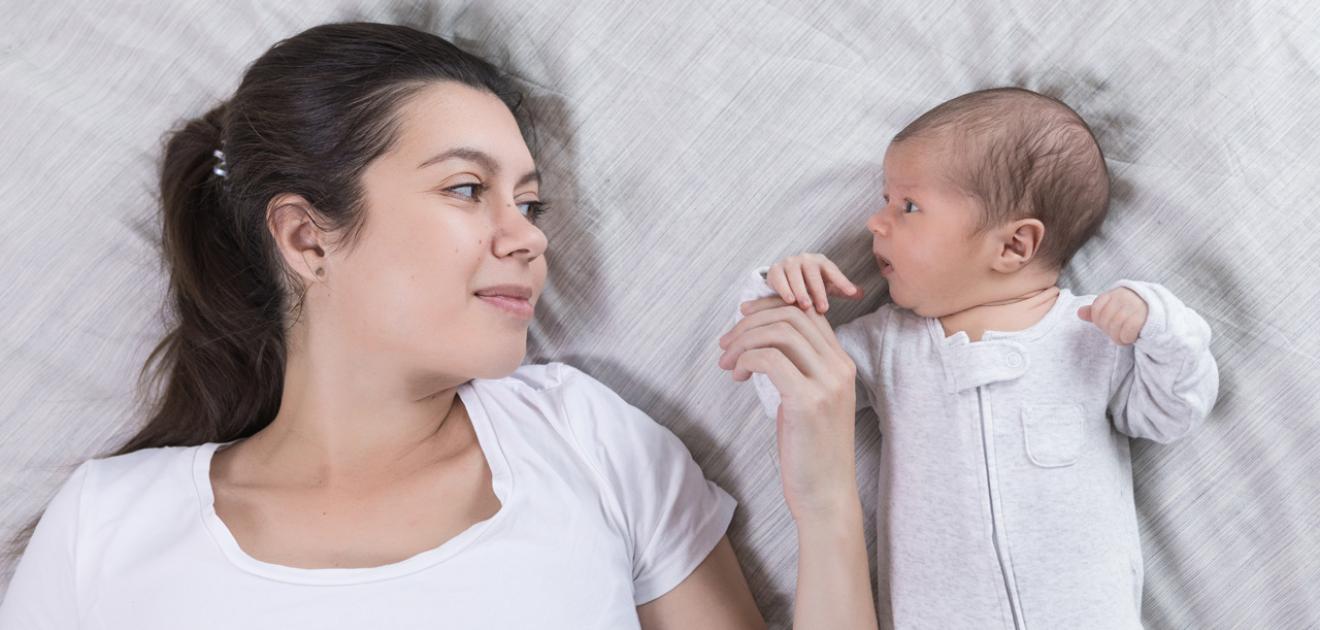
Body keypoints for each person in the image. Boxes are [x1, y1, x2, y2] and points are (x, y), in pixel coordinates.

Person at [1, 22, 876, 629]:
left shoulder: (589, 444)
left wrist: (829, 501)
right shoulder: (105, 525)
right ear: (307, 236)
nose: (529, 235)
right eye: (468, 188)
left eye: (530, 201)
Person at [720, 88, 1219, 628]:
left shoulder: (1092, 334)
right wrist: (782, 296)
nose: (875, 223)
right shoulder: (890, 346)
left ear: (1014, 246)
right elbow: (790, 392)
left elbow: (1173, 413)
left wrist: (1162, 326)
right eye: (886, 201)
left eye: (907, 206)